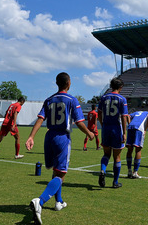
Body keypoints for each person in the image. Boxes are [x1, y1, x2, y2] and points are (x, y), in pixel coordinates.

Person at [26, 72, 95, 225]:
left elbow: (40, 118)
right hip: (62, 138)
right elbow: (79, 122)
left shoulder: (49, 100)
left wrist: (31, 136)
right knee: (61, 174)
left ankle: (59, 202)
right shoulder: (72, 100)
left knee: (56, 171)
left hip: (48, 136)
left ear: (56, 83)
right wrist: (90, 133)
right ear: (69, 83)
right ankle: (40, 201)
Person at [97, 78, 129, 189]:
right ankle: (115, 182)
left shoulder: (103, 97)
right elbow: (124, 117)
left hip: (106, 128)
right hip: (117, 129)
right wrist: (124, 133)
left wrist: (102, 123)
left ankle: (102, 170)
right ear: (120, 87)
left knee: (106, 154)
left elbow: (99, 113)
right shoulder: (122, 99)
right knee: (117, 157)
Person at [125, 110, 148, 179]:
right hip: (139, 129)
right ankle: (135, 172)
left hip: (130, 127)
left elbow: (128, 116)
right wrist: (145, 129)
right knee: (138, 150)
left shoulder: (136, 112)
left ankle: (129, 171)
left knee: (130, 149)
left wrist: (129, 124)